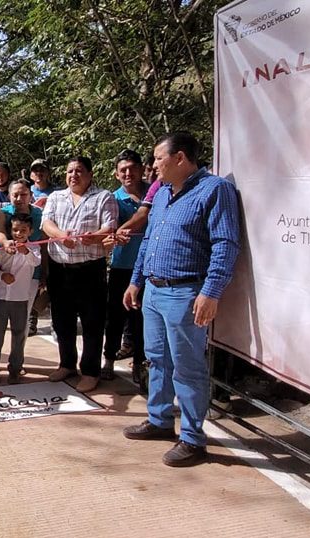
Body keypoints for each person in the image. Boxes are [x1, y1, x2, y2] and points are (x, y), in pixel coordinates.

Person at [123, 132, 241, 467]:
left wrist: (211, 291)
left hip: (186, 293)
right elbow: (148, 241)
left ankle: (192, 439)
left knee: (188, 367)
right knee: (157, 359)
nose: (153, 165)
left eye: (159, 158)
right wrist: (136, 281)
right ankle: (160, 421)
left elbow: (225, 244)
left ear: (181, 158)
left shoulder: (215, 190)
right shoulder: (161, 194)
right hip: (155, 291)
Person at [41, 157, 118, 393]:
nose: (73, 175)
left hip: (90, 270)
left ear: (90, 174)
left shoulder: (104, 197)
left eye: (79, 171)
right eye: (70, 171)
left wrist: (92, 236)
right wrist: (62, 235)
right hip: (59, 269)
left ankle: (91, 371)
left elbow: (110, 227)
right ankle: (67, 364)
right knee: (62, 321)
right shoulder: (55, 197)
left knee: (92, 323)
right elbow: (46, 223)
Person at [101, 150, 148, 386]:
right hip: (122, 266)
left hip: (151, 269)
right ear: (117, 174)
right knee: (115, 317)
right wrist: (111, 238)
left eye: (132, 168)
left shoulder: (156, 193)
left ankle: (140, 363)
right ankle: (108, 359)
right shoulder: (112, 199)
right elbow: (106, 232)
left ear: (141, 169)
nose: (128, 173)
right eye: (123, 170)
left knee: (143, 319)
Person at [0, 213, 40, 384]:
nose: (19, 234)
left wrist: (25, 251)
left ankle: (15, 368)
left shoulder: (35, 248)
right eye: (15, 230)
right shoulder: (4, 248)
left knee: (19, 334)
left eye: (23, 230)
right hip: (1, 296)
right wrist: (3, 276)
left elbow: (35, 262)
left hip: (20, 298)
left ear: (30, 231)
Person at [0, 180, 46, 336]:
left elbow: (44, 245)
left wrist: (44, 273)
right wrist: (5, 242)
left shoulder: (41, 214)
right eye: (15, 195)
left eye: (23, 194)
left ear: (30, 195)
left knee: (22, 318)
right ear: (9, 196)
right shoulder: (3, 213)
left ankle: (17, 358)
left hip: (31, 272)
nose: (19, 198)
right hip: (1, 270)